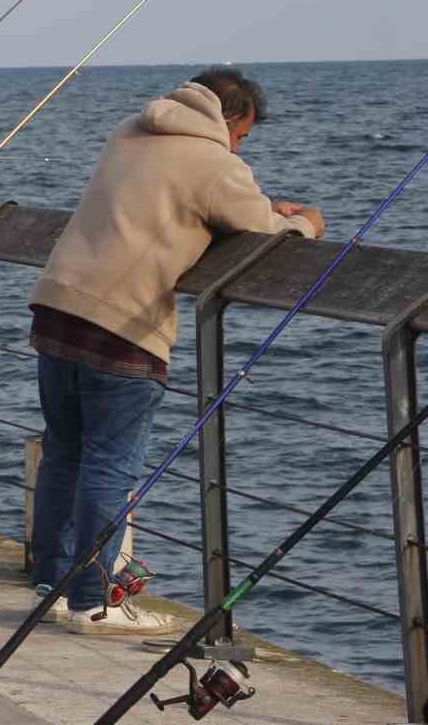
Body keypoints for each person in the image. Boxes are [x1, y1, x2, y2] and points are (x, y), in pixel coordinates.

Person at [28, 68, 324, 636]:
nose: (240, 146)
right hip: (124, 321)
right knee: (110, 467)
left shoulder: (128, 131)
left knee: (64, 451)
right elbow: (262, 228)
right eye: (243, 136)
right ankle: (93, 602)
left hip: (58, 305)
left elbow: (159, 206)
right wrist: (306, 224)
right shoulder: (215, 164)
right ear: (230, 119)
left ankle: (53, 581)